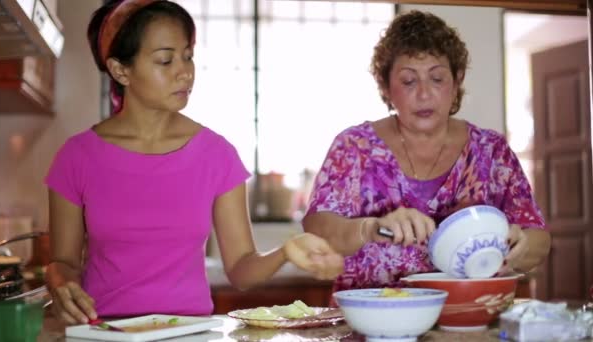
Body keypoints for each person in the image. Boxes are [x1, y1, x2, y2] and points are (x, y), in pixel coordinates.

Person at [45, 0, 344, 324]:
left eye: (188, 56)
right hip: (103, 332)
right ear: (120, 70)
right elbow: (64, 261)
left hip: (188, 333)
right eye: (165, 60)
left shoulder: (217, 155)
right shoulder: (77, 157)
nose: (185, 71)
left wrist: (287, 251)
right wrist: (60, 281)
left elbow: (241, 269)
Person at [302, 10, 551, 295]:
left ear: (457, 81)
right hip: (371, 323)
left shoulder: (492, 152)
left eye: (437, 79)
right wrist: (371, 228)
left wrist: (520, 248)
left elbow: (538, 237)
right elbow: (318, 230)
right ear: (386, 86)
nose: (423, 94)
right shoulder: (354, 147)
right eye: (409, 81)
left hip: (467, 320)